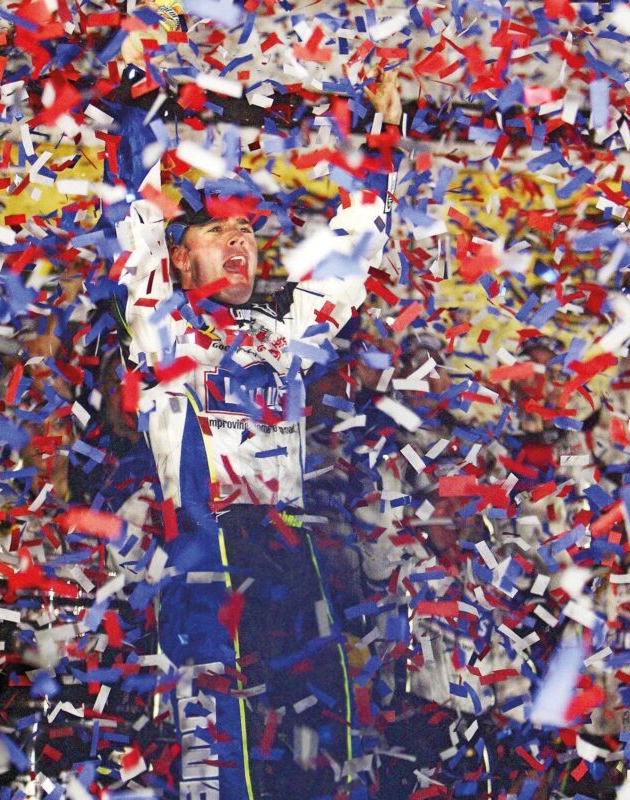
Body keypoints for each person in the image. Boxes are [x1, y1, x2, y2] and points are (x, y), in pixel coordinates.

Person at [108, 37, 403, 798]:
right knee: (225, 756)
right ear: (179, 263)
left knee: (324, 750)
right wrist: (135, 105)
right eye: (216, 234)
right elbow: (134, 219)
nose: (239, 243)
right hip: (210, 557)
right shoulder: (164, 332)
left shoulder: (284, 334)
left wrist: (381, 141)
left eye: (247, 233)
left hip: (291, 553)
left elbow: (353, 253)